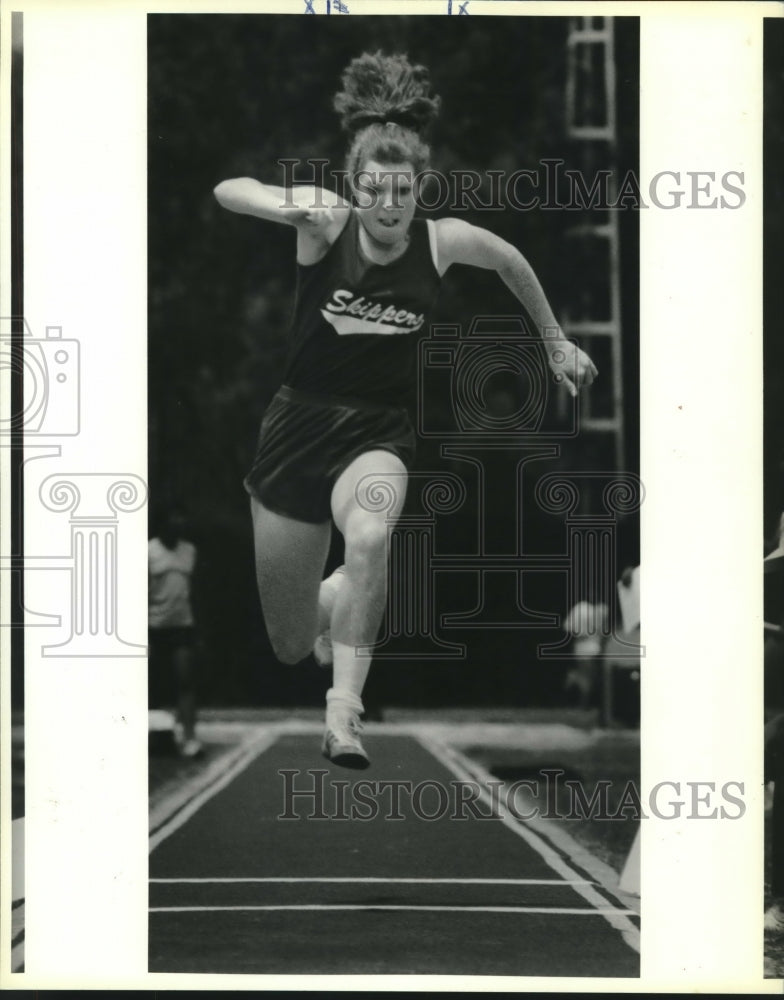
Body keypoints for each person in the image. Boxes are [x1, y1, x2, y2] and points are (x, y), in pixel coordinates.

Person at [214, 51, 597, 768]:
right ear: (353, 190)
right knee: (292, 643)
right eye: (376, 192)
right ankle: (337, 597)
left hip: (377, 431)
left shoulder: (441, 241)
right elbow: (228, 187)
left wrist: (554, 344)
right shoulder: (324, 223)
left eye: (403, 192)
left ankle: (343, 716)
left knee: (371, 536)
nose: (390, 206)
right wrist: (282, 204)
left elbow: (510, 259)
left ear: (419, 189)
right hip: (297, 429)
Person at [148, 509, 202, 758]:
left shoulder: (189, 550)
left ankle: (189, 737)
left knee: (186, 680)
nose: (177, 526)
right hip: (153, 628)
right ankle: (153, 736)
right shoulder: (148, 552)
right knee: (152, 685)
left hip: (182, 626)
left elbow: (193, 590)